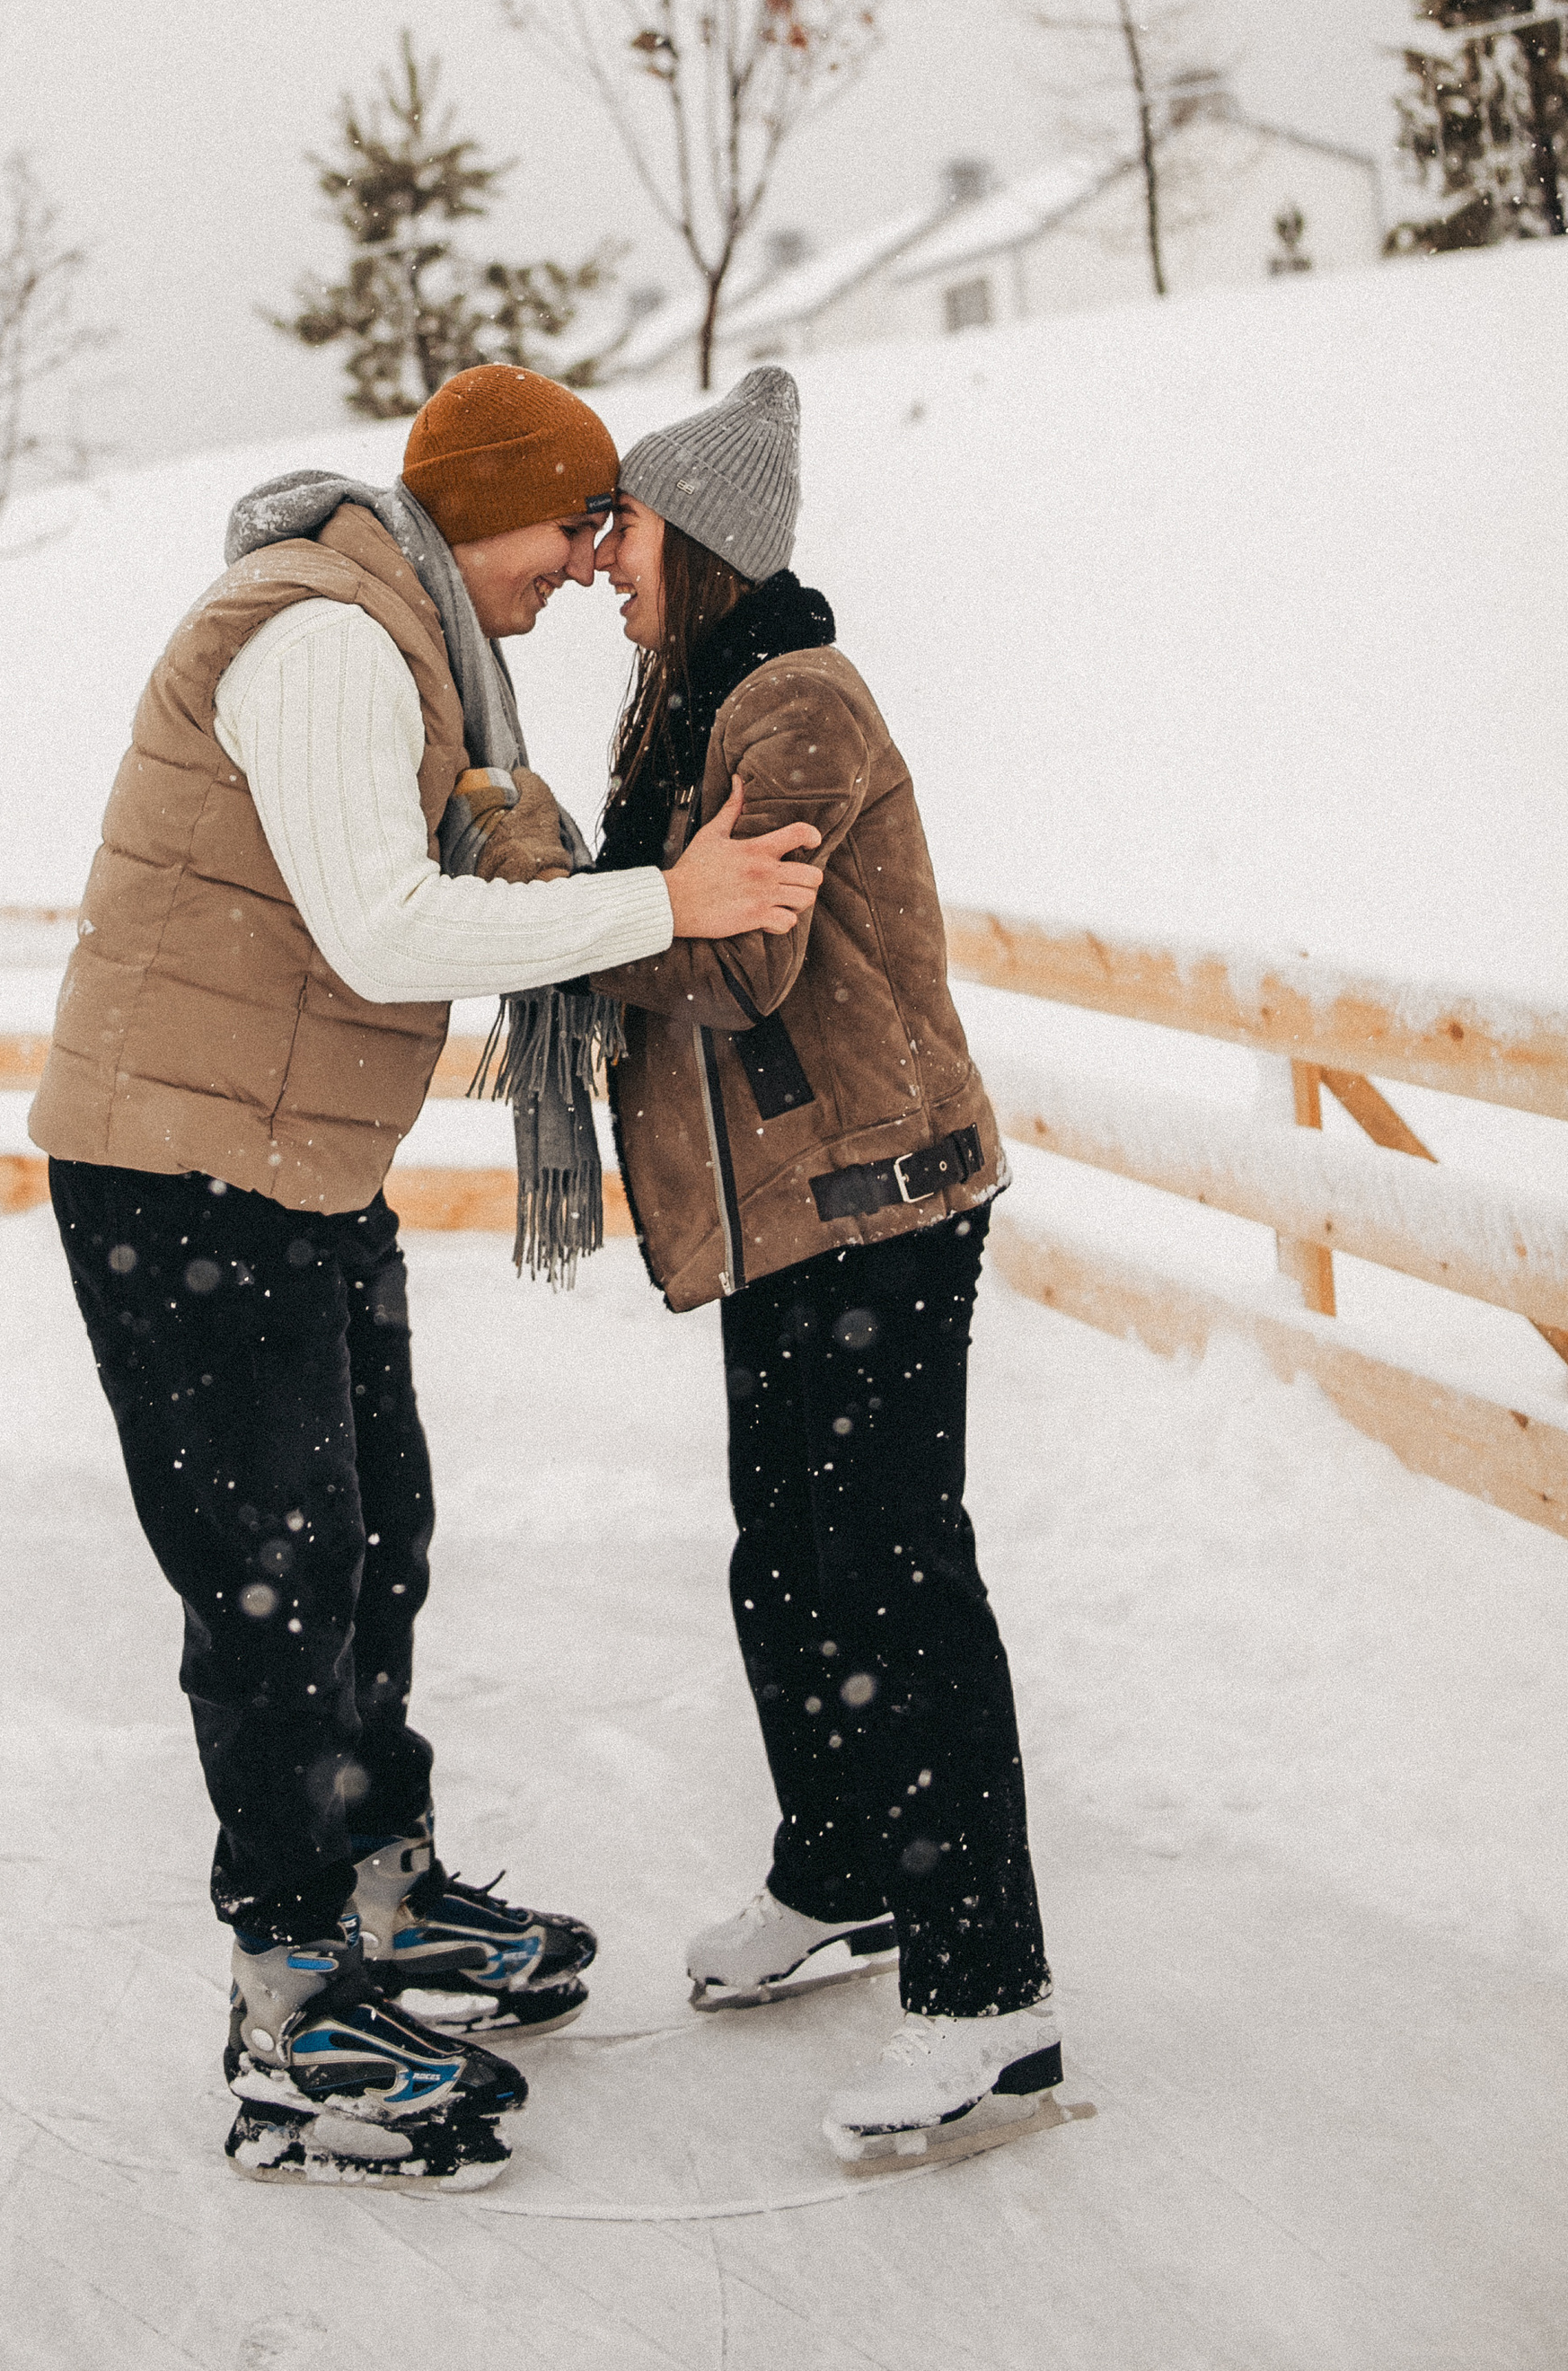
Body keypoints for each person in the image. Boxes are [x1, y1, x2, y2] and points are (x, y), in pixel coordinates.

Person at [28, 363, 823, 2190]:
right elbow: (377, 921)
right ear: (491, 513)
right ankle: (291, 2005)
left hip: (286, 1162)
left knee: (372, 1526)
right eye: (573, 525)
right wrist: (663, 906)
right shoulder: (318, 639)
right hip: (182, 1169)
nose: (584, 563)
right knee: (270, 1575)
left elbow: (446, 865)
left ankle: (376, 1892)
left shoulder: (417, 647)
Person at [589, 364, 1063, 2168]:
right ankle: (844, 1869)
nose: (598, 564)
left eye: (620, 528)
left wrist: (570, 900)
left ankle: (988, 2002)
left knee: (891, 1576)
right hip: (784, 1215)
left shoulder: (793, 708)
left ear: (693, 540)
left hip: (877, 1197)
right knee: (787, 1554)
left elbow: (730, 966)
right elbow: (665, 916)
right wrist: (600, 884)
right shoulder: (693, 715)